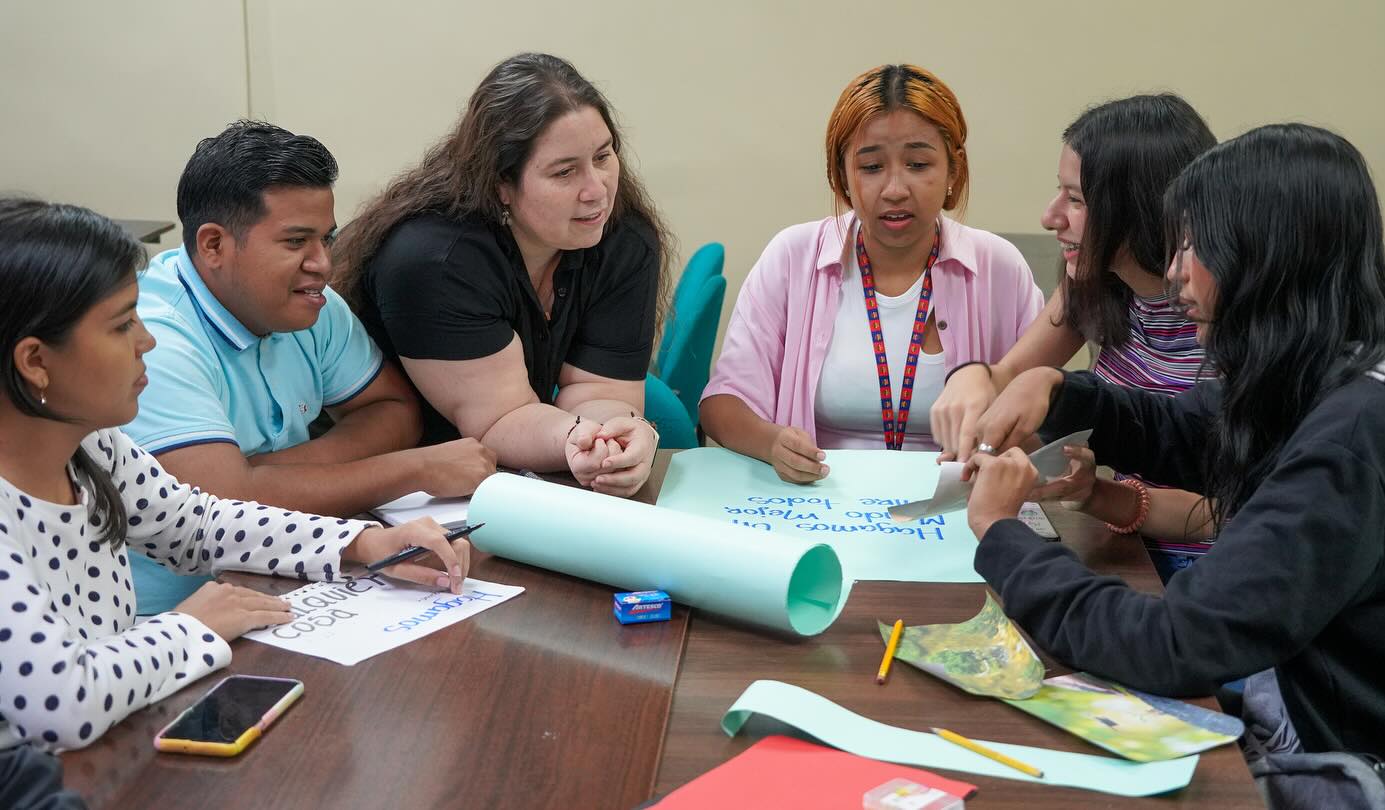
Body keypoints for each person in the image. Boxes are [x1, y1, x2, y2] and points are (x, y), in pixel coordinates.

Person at [963, 124, 1385, 773]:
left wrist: (1000, 534)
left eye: (1194, 245)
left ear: (1262, 255)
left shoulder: (1356, 439)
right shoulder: (1365, 344)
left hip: (1364, 760)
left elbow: (1171, 645)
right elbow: (1196, 429)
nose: (1175, 271)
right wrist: (1063, 392)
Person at [0, 198, 473, 752]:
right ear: (35, 361)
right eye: (122, 324)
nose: (145, 341)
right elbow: (59, 705)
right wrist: (190, 626)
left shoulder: (91, 445)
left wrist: (365, 541)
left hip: (109, 743)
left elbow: (196, 524)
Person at [122, 121, 496, 613]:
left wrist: (264, 475)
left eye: (327, 238)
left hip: (294, 579)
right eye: (297, 242)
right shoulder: (154, 340)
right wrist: (414, 469)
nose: (323, 264)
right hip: (170, 617)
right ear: (213, 245)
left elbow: (394, 408)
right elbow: (226, 506)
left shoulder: (307, 301)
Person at [333, 53, 670, 498]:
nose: (597, 190)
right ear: (501, 185)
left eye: (603, 156)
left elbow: (598, 387)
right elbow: (498, 419)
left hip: (498, 479)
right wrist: (575, 439)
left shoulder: (621, 239)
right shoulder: (436, 259)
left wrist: (616, 438)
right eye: (565, 172)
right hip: (385, 489)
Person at [699, 64, 1043, 482]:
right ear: (842, 176)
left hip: (955, 513)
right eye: (871, 167)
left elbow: (1038, 421)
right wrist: (771, 443)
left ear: (954, 171)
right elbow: (722, 404)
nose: (895, 188)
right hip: (819, 509)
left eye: (918, 164)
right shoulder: (794, 256)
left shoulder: (999, 268)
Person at [933, 95, 1218, 578]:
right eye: (1060, 192)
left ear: (1143, 210)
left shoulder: (1221, 311)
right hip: (1121, 546)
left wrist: (1102, 497)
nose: (1050, 217)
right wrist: (971, 379)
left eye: (1078, 200)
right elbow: (1010, 375)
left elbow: (1227, 512)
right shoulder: (1093, 282)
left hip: (1200, 573)